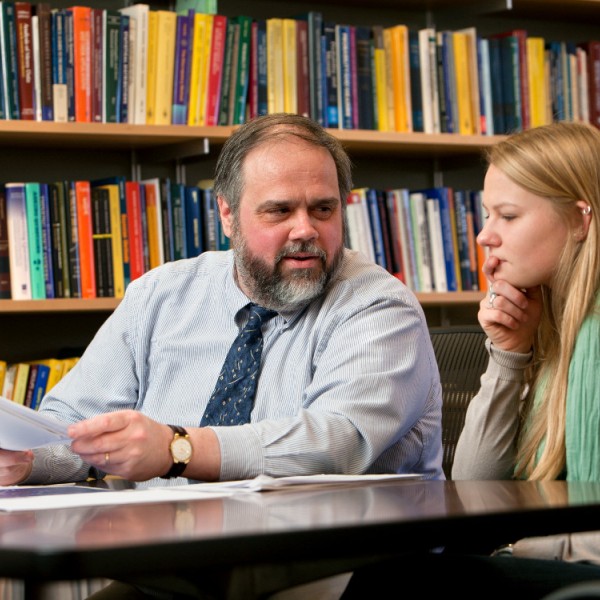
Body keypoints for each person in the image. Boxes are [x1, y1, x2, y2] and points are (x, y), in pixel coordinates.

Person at [0, 113, 442, 597]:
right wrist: (25, 460)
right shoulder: (162, 294)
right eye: (279, 211)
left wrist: (176, 448)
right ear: (227, 214)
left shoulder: (379, 304)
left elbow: (337, 441)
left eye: (323, 209)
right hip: (171, 566)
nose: (306, 230)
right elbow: (75, 423)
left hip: (331, 574)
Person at [341, 121, 600, 599]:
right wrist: (509, 353)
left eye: (508, 216)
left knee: (389, 581)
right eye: (486, 215)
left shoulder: (595, 337)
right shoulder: (552, 334)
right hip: (552, 558)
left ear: (582, 219)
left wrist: (517, 552)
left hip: (583, 570)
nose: (485, 236)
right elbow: (476, 493)